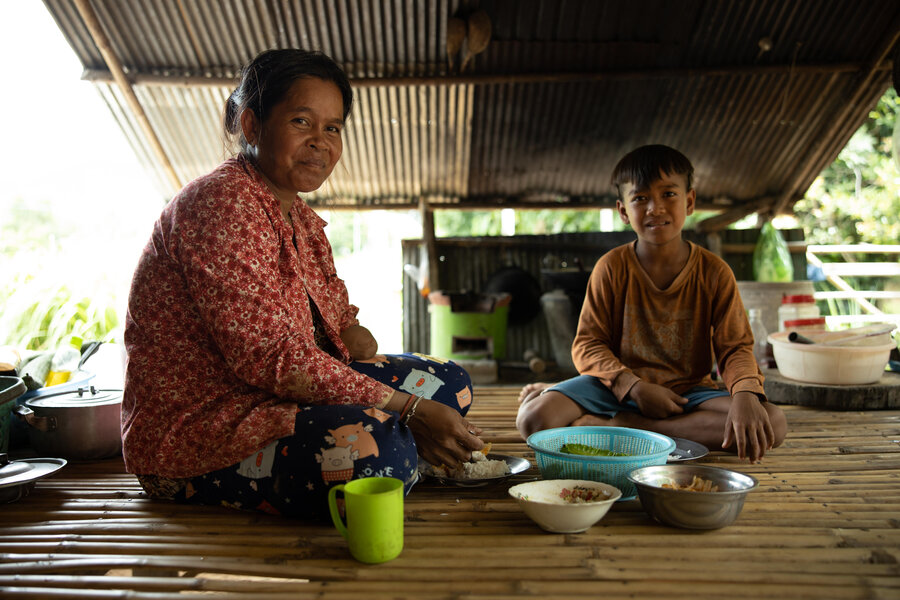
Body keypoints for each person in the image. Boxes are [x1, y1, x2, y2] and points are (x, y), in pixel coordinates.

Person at [122, 48, 483, 520]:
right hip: (206, 427)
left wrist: (351, 336)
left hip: (282, 393)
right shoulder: (220, 203)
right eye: (301, 122)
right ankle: (403, 456)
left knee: (448, 385)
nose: (321, 142)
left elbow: (342, 330)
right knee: (380, 449)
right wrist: (407, 411)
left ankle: (406, 451)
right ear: (251, 125)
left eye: (333, 128)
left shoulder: (301, 219)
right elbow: (274, 359)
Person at [516, 145, 786, 462]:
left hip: (688, 394)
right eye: (640, 198)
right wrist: (634, 387)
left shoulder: (713, 272)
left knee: (772, 423)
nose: (654, 208)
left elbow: (735, 346)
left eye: (668, 194)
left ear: (689, 201)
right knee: (533, 419)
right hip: (615, 389)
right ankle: (631, 424)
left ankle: (615, 428)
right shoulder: (611, 267)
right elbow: (588, 344)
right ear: (623, 211)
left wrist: (745, 393)